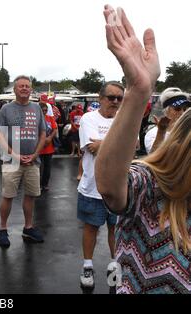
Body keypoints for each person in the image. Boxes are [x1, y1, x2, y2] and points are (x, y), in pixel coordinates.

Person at [96, 5, 190, 294]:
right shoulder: (152, 187)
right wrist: (137, 91)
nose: (113, 101)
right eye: (110, 98)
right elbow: (113, 187)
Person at [76, 81, 124, 290]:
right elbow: (92, 148)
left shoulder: (124, 119)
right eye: (111, 97)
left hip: (120, 187)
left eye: (119, 98)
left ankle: (115, 264)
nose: (115, 102)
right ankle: (88, 266)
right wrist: (120, 141)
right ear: (100, 98)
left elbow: (133, 146)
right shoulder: (88, 118)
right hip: (92, 186)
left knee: (117, 228)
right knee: (91, 228)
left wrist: (104, 143)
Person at [0, 75, 47, 248]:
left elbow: (42, 134)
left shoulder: (37, 108)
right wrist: (14, 155)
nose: (24, 88)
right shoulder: (5, 109)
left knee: (31, 195)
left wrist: (35, 154)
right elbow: (0, 135)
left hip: (33, 160)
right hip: (12, 161)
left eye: (27, 86)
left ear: (31, 89)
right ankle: (3, 229)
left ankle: (28, 227)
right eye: (21, 86)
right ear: (15, 90)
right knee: (8, 195)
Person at [144, 87, 189, 154]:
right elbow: (154, 156)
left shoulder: (187, 131)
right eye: (177, 108)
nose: (182, 113)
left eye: (185, 109)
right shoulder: (153, 133)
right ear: (166, 110)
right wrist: (161, 132)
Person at [39, 102, 58, 192]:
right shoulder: (35, 119)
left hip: (49, 148)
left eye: (46, 110)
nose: (44, 111)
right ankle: (37, 185)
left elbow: (55, 129)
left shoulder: (50, 118)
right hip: (38, 148)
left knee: (47, 167)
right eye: (43, 110)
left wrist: (50, 138)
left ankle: (45, 184)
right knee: (38, 168)